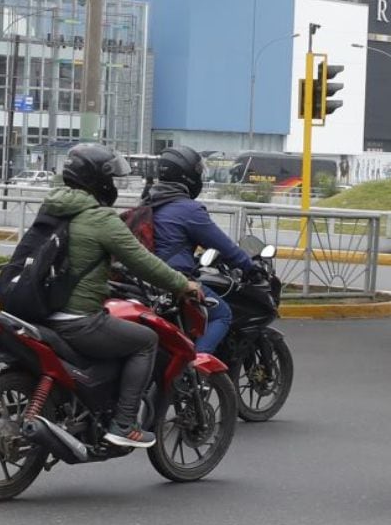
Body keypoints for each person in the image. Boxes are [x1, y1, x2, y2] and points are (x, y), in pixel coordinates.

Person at [14, 144, 201, 449]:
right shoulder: (99, 218)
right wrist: (183, 284)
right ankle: (124, 424)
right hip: (76, 320)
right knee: (145, 341)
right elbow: (142, 261)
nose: (113, 185)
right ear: (96, 180)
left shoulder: (55, 205)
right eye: (111, 179)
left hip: (39, 310)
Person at [138, 145, 254, 354]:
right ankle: (197, 371)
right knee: (222, 314)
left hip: (145, 283)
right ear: (187, 175)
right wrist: (250, 266)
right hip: (173, 282)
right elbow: (224, 247)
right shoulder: (188, 209)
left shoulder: (148, 201)